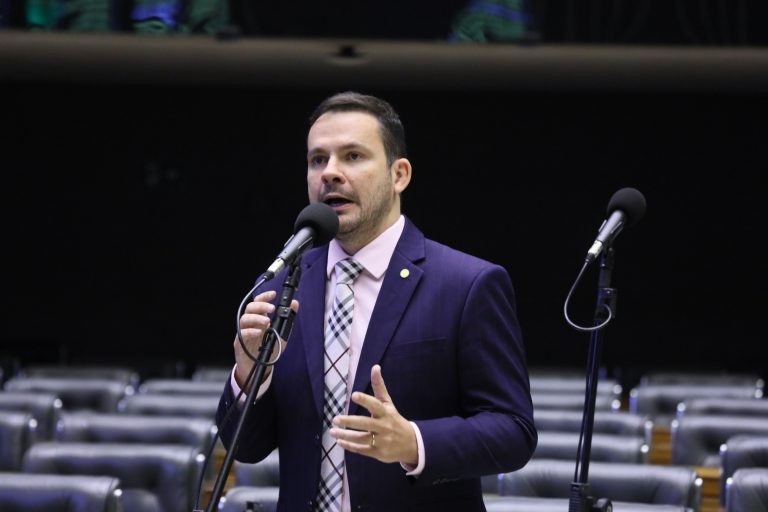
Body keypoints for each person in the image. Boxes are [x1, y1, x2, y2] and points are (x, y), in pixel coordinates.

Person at [216, 91, 537, 512]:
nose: (329, 173)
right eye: (317, 160)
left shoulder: (467, 284)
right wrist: (248, 375)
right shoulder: (280, 285)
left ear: (399, 174)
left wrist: (415, 442)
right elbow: (248, 447)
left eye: (352, 156)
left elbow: (513, 432)